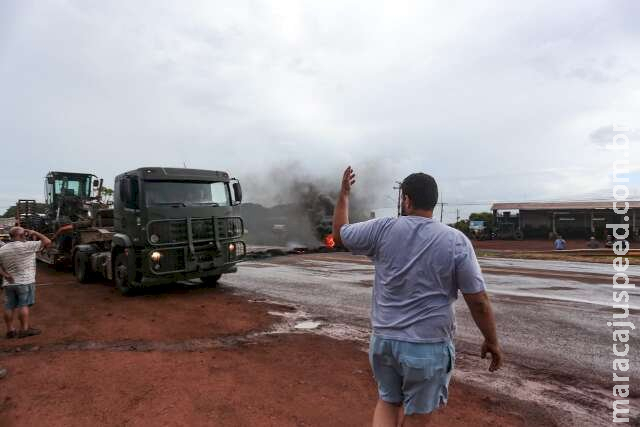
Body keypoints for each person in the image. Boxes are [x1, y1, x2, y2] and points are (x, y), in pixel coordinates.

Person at [333, 167, 503, 426]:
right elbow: (478, 301)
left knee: (388, 402)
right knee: (417, 416)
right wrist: (491, 340)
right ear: (432, 202)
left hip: (384, 342)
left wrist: (344, 195)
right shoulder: (455, 241)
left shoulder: (381, 229)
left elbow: (340, 234)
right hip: (427, 347)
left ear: (407, 200)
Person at [0, 226, 51, 339]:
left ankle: (10, 330)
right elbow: (47, 241)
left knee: (9, 306)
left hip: (8, 283)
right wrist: (34, 232)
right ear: (22, 235)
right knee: (23, 305)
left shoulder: (3, 248)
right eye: (25, 234)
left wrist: (5, 275)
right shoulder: (28, 246)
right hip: (25, 282)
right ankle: (24, 329)